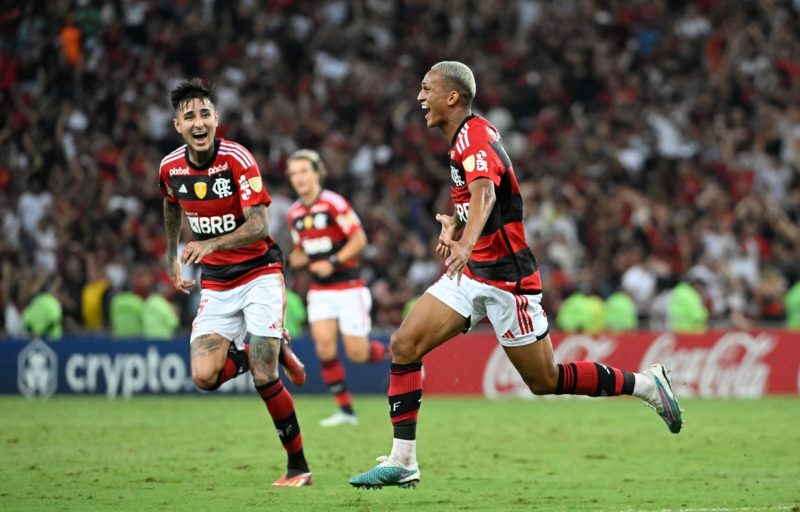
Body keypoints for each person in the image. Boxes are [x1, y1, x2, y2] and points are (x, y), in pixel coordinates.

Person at [349, 61, 683, 489]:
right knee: (404, 344)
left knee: (545, 380)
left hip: (507, 279)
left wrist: (466, 241)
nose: (420, 98)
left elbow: (486, 191)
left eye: (426, 89)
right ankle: (403, 459)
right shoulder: (468, 137)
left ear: (452, 96)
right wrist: (455, 225)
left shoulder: (471, 136)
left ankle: (647, 386)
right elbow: (480, 196)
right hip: (472, 273)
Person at [159, 78, 311, 487]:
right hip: (217, 284)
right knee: (204, 377)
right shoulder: (170, 168)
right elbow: (171, 205)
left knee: (264, 377)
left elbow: (260, 224)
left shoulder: (237, 159)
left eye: (205, 113)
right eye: (189, 115)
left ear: (216, 119)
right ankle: (269, 350)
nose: (198, 121)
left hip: (260, 272)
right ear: (178, 125)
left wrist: (208, 243)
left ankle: (298, 466)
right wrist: (173, 256)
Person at [285, 149, 390, 427]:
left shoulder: (333, 204)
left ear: (317, 173)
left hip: (349, 287)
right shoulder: (294, 214)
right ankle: (345, 411)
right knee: (325, 350)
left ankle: (400, 353)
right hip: (320, 291)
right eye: (294, 174)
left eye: (304, 171)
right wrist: (298, 258)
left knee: (358, 354)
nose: (299, 178)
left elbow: (359, 239)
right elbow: (299, 251)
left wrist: (332, 261)